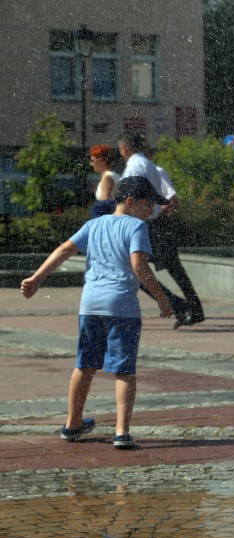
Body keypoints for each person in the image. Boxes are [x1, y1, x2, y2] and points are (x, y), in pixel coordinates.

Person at [20, 176, 174, 449]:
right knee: (124, 369)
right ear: (130, 202)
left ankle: (72, 424)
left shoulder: (94, 225)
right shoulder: (137, 226)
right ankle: (121, 432)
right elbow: (139, 266)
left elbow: (65, 249)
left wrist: (36, 278)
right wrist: (163, 300)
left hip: (90, 305)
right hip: (122, 307)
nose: (151, 211)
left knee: (85, 364)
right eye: (148, 205)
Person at [118, 134, 203, 327]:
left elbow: (167, 199)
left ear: (124, 149)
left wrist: (154, 212)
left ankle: (179, 305)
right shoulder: (149, 167)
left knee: (136, 270)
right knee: (169, 269)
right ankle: (187, 306)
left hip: (151, 224)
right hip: (154, 223)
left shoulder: (137, 167)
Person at [88, 144, 120, 218]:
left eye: (92, 161)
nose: (91, 164)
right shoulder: (113, 175)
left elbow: (105, 206)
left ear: (101, 161)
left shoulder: (107, 177)